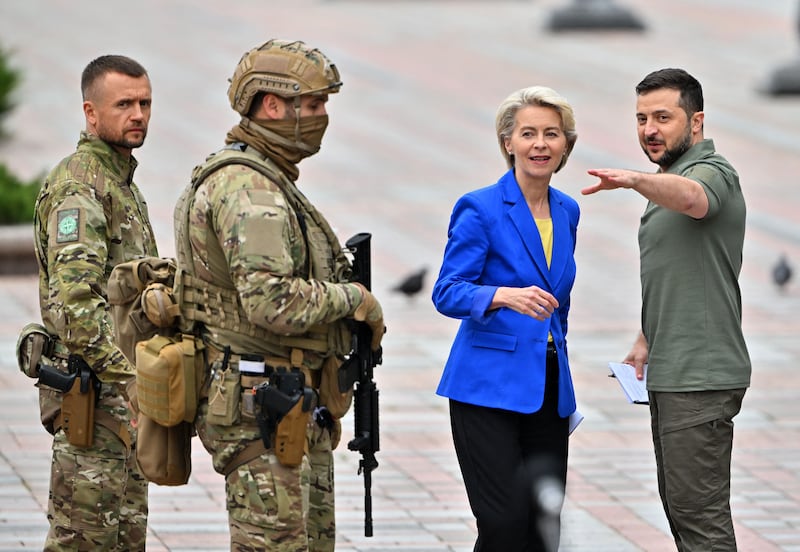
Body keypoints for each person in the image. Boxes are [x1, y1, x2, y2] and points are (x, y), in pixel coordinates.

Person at [172, 39, 384, 551]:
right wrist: (353, 299)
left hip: (282, 399)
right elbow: (270, 302)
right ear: (272, 105)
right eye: (313, 106)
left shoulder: (263, 177)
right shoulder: (250, 190)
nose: (322, 117)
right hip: (260, 406)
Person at [582, 67, 751, 551]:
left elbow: (696, 201)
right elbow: (682, 270)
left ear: (695, 123)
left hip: (701, 377)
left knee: (701, 522)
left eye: (662, 117)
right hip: (676, 372)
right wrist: (647, 336)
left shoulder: (709, 173)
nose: (649, 130)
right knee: (685, 513)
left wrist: (635, 180)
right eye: (640, 119)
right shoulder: (669, 179)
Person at [432, 85, 580, 552]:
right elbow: (447, 291)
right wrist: (502, 296)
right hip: (486, 387)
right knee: (503, 523)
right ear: (507, 143)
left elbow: (560, 305)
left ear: (565, 145)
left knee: (542, 524)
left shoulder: (567, 210)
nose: (540, 144)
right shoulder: (481, 207)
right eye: (528, 133)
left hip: (548, 387)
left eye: (551, 134)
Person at [32, 55, 155, 550]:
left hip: (122, 403)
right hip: (97, 401)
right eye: (124, 104)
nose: (139, 114)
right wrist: (134, 385)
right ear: (91, 112)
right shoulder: (80, 188)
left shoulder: (119, 180)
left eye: (145, 102)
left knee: (125, 537)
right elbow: (78, 309)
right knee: (84, 539)